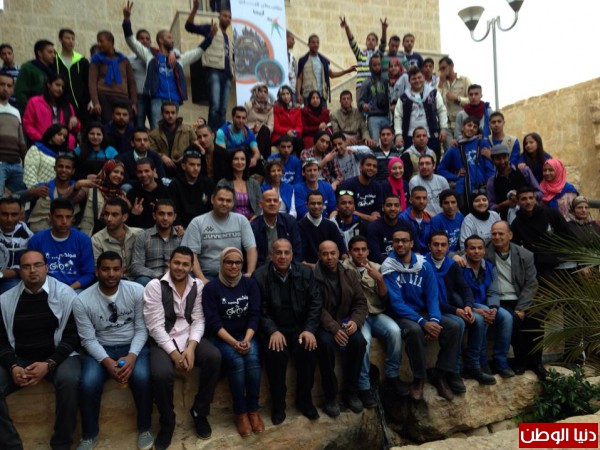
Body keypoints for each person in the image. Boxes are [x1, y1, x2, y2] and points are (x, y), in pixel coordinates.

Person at [0, 249, 80, 450]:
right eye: (26, 267)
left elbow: (73, 337)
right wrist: (13, 366)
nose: (32, 270)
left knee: (69, 380)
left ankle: (62, 443)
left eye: (37, 265)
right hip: (20, 359)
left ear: (47, 267)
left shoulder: (66, 295)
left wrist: (49, 364)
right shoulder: (5, 300)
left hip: (57, 357)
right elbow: (1, 341)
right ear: (20, 271)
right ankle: (11, 445)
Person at [73, 251, 153, 450]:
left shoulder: (136, 290)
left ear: (122, 270)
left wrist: (132, 356)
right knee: (88, 383)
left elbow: (142, 329)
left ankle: (145, 429)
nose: (111, 274)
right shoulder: (82, 300)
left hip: (132, 345)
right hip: (100, 348)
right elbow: (88, 339)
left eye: (116, 269)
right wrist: (108, 362)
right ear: (97, 271)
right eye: (106, 269)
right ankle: (89, 435)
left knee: (142, 378)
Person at [144, 246, 222, 447]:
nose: (180, 267)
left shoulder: (197, 285)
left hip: (188, 336)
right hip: (162, 340)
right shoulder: (154, 286)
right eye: (176, 263)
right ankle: (167, 422)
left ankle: (199, 411)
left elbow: (198, 320)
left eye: (185, 264)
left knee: (214, 357)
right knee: (161, 374)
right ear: (169, 263)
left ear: (191, 266)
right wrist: (175, 355)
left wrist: (191, 348)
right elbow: (155, 327)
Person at [381, 228, 461, 401]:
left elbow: (432, 297)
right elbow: (396, 303)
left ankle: (439, 374)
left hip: (422, 311)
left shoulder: (424, 265)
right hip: (400, 314)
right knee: (415, 330)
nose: (400, 244)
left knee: (453, 327)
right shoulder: (388, 267)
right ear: (392, 244)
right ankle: (419, 378)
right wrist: (424, 323)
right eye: (396, 241)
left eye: (404, 241)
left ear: (411, 243)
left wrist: (434, 320)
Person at [253, 238, 321, 424]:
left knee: (309, 350)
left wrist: (309, 330)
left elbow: (315, 303)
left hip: (299, 328)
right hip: (274, 329)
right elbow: (259, 310)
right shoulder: (260, 276)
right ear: (271, 255)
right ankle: (278, 405)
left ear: (292, 255)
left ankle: (304, 401)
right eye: (278, 252)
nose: (282, 256)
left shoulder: (305, 272)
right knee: (275, 354)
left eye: (286, 252)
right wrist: (272, 330)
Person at [202, 247, 264, 437]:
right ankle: (241, 413)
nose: (234, 266)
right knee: (236, 362)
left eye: (238, 262)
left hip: (247, 335)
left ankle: (253, 410)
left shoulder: (250, 284)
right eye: (229, 262)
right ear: (221, 264)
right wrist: (233, 342)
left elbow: (255, 315)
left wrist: (246, 339)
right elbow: (213, 322)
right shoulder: (211, 288)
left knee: (253, 360)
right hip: (223, 337)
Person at [123, 1, 215, 129]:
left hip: (174, 100)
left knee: (173, 131)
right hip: (157, 99)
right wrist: (127, 19)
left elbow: (197, 53)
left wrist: (210, 38)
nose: (172, 40)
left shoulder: (178, 60)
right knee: (157, 130)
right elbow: (132, 41)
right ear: (160, 40)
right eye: (169, 37)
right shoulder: (150, 57)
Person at [343, 235, 406, 405]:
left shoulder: (377, 267)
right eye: (356, 250)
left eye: (363, 249)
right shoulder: (343, 268)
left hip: (376, 313)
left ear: (368, 251)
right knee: (365, 341)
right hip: (357, 317)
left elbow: (385, 298)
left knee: (395, 331)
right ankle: (364, 386)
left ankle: (392, 375)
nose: (360, 253)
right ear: (349, 252)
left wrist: (379, 279)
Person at [314, 240, 367, 416]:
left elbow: (360, 303)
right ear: (319, 255)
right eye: (325, 254)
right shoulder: (313, 277)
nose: (329, 257)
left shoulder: (349, 274)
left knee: (359, 342)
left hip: (345, 321)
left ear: (339, 254)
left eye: (333, 253)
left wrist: (355, 321)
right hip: (323, 325)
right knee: (325, 345)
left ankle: (351, 392)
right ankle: (330, 396)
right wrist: (334, 328)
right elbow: (315, 307)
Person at [486, 221, 544, 378]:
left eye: (501, 233)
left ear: (510, 235)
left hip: (520, 298)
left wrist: (521, 308)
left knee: (537, 317)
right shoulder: (485, 250)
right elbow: (459, 252)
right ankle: (521, 360)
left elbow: (531, 283)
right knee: (513, 320)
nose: (497, 237)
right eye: (494, 233)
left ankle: (537, 362)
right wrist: (456, 256)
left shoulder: (525, 255)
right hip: (499, 299)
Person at [425, 232, 481, 387]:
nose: (439, 248)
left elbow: (465, 288)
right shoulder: (422, 265)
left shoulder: (451, 265)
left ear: (448, 247)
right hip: (428, 309)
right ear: (429, 246)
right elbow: (428, 299)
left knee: (476, 319)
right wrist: (455, 310)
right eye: (436, 244)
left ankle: (472, 365)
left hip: (446, 307)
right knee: (458, 324)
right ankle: (452, 371)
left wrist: (468, 305)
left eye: (443, 245)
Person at [462, 235, 515, 378]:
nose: (476, 251)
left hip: (486, 304)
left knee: (507, 317)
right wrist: (474, 308)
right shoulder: (459, 266)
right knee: (484, 315)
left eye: (480, 248)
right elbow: (456, 293)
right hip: (466, 306)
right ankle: (481, 360)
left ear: (484, 250)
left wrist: (494, 308)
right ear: (465, 250)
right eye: (472, 248)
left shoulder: (489, 267)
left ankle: (500, 360)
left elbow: (493, 291)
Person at [183, 186, 257, 283]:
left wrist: (250, 273)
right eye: (221, 199)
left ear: (233, 203)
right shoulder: (197, 222)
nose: (224, 203)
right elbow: (191, 254)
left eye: (228, 201)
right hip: (207, 275)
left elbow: (251, 248)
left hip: (234, 275)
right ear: (212, 199)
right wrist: (202, 279)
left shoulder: (241, 220)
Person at [28, 198, 95, 291]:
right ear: (50, 216)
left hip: (74, 289)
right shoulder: (37, 240)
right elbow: (31, 270)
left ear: (73, 218)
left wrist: (68, 290)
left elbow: (89, 274)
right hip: (45, 289)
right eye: (59, 217)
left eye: (68, 217)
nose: (64, 221)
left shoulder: (83, 240)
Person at [186, 1, 234, 131]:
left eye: (229, 17)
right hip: (214, 71)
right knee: (215, 105)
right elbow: (189, 27)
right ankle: (210, 134)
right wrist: (195, 9)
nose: (227, 19)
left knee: (223, 109)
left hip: (227, 75)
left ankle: (219, 136)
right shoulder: (210, 29)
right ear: (219, 16)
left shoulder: (229, 39)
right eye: (225, 16)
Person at [510, 186, 573, 282]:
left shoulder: (551, 214)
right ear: (518, 202)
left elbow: (569, 236)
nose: (528, 202)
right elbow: (515, 248)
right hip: (539, 268)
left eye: (531, 198)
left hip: (562, 263)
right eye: (524, 199)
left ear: (535, 199)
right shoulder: (516, 224)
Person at [437, 116, 493, 211]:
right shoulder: (455, 147)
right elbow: (440, 169)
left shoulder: (481, 143)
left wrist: (489, 184)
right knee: (464, 214)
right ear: (463, 127)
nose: (471, 128)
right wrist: (455, 176)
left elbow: (489, 167)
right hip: (462, 190)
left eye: (475, 127)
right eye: (469, 125)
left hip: (481, 188)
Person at [393, 67, 448, 161]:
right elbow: (398, 116)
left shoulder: (433, 93)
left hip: (431, 136)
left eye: (419, 77)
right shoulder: (404, 97)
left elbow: (442, 110)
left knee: (432, 163)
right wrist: (398, 135)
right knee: (410, 164)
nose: (417, 81)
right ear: (409, 81)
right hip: (410, 137)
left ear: (423, 78)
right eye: (414, 78)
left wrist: (443, 128)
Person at [26, 154, 88, 233]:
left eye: (67, 167)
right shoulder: (42, 187)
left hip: (68, 234)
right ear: (55, 168)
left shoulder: (80, 189)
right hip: (41, 232)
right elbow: (18, 198)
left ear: (73, 171)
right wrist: (32, 192)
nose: (63, 170)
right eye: (60, 166)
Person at [22, 72, 81, 151]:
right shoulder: (34, 102)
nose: (60, 89)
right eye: (57, 85)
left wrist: (76, 122)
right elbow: (28, 125)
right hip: (40, 146)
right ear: (49, 84)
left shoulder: (68, 106)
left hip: (63, 148)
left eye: (63, 87)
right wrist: (44, 139)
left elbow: (75, 129)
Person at [89, 30, 137, 124]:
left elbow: (131, 82)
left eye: (101, 41)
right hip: (104, 96)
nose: (99, 44)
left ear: (110, 41)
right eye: (98, 41)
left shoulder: (124, 60)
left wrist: (134, 102)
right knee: (108, 123)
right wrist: (96, 102)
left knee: (126, 124)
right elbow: (92, 82)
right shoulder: (96, 60)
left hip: (123, 97)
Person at [130, 199, 182, 286]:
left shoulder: (181, 237)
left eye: (169, 214)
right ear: (154, 215)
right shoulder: (143, 237)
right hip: (151, 279)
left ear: (174, 217)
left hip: (176, 276)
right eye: (161, 214)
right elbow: (136, 266)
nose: (165, 218)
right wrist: (159, 275)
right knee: (142, 280)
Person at [486, 143, 541, 222]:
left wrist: (526, 198)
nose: (502, 161)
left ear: (508, 157)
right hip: (507, 221)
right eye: (498, 159)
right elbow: (491, 206)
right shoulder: (492, 181)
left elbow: (539, 193)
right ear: (493, 160)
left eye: (504, 157)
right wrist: (504, 204)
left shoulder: (523, 171)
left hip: (531, 217)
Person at [91, 198, 142, 280]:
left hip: (136, 278)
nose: (109, 219)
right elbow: (98, 269)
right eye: (106, 214)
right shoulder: (97, 240)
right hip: (112, 280)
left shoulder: (138, 234)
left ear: (124, 217)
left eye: (114, 215)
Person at [296, 34, 355, 105]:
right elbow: (299, 78)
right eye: (313, 42)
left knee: (324, 112)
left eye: (317, 42)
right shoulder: (303, 60)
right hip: (308, 95)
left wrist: (347, 71)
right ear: (308, 44)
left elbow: (332, 75)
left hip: (322, 96)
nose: (316, 44)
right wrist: (298, 94)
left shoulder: (323, 60)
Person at [251, 190, 302, 267]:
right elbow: (255, 256)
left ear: (279, 204)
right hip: (263, 269)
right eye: (268, 200)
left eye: (275, 201)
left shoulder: (290, 222)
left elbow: (297, 251)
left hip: (288, 267)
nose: (272, 203)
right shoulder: (254, 226)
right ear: (260, 204)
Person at [79, 159, 129, 236]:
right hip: (88, 236)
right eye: (115, 172)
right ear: (107, 171)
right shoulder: (91, 188)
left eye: (122, 173)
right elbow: (71, 199)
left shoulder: (122, 195)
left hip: (111, 238)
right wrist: (77, 185)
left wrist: (130, 208)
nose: (119, 175)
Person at [340, 16, 386, 97]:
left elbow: (383, 44)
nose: (370, 41)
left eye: (373, 40)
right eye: (368, 39)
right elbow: (352, 41)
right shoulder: (360, 54)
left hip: (374, 85)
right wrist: (346, 27)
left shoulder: (378, 55)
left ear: (376, 43)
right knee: (361, 105)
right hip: (361, 86)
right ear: (365, 42)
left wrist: (384, 29)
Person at [298, 190, 347, 267]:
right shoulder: (299, 227)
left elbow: (342, 250)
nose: (316, 206)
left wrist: (346, 263)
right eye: (313, 203)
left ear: (323, 205)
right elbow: (299, 257)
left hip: (331, 267)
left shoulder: (331, 226)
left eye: (319, 203)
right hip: (308, 270)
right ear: (307, 205)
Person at [168, 148, 214, 228]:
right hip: (182, 227)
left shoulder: (208, 183)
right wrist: (179, 226)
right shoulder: (175, 185)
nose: (196, 168)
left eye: (198, 165)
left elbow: (211, 209)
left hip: (205, 226)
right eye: (192, 165)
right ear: (183, 166)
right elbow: (174, 210)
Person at [148, 102, 197, 177]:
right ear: (162, 114)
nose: (170, 115)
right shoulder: (153, 134)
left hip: (184, 168)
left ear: (176, 114)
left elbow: (196, 147)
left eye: (173, 113)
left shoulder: (188, 130)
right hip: (163, 168)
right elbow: (151, 150)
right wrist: (162, 156)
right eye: (167, 113)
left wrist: (186, 155)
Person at [214, 106, 262, 181]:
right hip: (228, 163)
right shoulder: (222, 132)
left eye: (243, 118)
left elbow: (257, 152)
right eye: (238, 117)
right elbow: (222, 155)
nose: (241, 121)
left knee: (259, 162)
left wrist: (254, 159)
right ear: (233, 117)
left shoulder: (248, 133)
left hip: (243, 163)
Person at [54, 28, 90, 122]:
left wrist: (90, 100)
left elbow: (88, 82)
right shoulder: (54, 60)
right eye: (67, 38)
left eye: (73, 39)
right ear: (60, 39)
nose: (71, 41)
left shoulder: (82, 61)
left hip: (83, 106)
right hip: (61, 105)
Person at [0, 73, 27, 195]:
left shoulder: (15, 111)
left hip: (16, 164)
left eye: (9, 85)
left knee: (22, 196)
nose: (5, 88)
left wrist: (25, 160)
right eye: (2, 84)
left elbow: (21, 140)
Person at [126, 157, 171, 229]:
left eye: (147, 171)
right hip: (139, 231)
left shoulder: (166, 191)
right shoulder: (132, 193)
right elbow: (127, 224)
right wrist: (133, 214)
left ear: (154, 171)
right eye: (140, 172)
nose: (143, 175)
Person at [217, 149, 262, 220]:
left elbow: (260, 204)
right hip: (230, 220)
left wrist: (255, 217)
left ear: (246, 162)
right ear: (231, 162)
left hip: (252, 221)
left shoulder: (254, 183)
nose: (239, 162)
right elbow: (220, 205)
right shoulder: (223, 183)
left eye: (242, 159)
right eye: (236, 159)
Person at [0, 197, 33, 293]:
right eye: (4, 214)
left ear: (21, 215)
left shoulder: (27, 235)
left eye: (14, 214)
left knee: (13, 289)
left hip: (12, 278)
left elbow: (27, 265)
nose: (9, 219)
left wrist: (3, 274)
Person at [366, 194, 411, 264]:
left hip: (405, 264)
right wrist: (396, 264)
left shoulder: (407, 225)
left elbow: (416, 250)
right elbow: (374, 255)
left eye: (396, 205)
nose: (393, 208)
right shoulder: (373, 227)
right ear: (383, 207)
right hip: (380, 265)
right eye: (389, 205)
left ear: (400, 208)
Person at [14, 40, 56, 114]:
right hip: (33, 111)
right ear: (40, 53)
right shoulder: (28, 68)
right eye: (50, 52)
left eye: (54, 52)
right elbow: (20, 93)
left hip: (50, 111)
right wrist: (32, 110)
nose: (53, 55)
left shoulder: (54, 69)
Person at [338, 154, 383, 222]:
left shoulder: (377, 186)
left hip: (371, 223)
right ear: (360, 167)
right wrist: (368, 218)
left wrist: (374, 216)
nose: (371, 168)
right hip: (352, 221)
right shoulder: (348, 185)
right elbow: (346, 210)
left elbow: (377, 210)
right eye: (368, 165)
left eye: (374, 166)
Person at [438, 57, 471, 148]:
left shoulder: (464, 80)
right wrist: (441, 83)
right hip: (447, 124)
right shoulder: (442, 83)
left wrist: (457, 99)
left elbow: (472, 100)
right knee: (450, 151)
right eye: (440, 69)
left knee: (462, 150)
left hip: (462, 123)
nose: (442, 71)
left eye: (444, 68)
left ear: (451, 66)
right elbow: (436, 100)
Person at [23, 124, 69, 189]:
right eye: (59, 134)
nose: (62, 138)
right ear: (52, 133)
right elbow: (29, 175)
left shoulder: (62, 154)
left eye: (64, 137)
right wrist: (36, 190)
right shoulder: (36, 149)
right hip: (37, 191)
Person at [358, 54, 390, 140]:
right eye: (374, 65)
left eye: (379, 64)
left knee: (389, 143)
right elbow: (360, 101)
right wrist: (364, 105)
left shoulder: (386, 82)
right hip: (373, 117)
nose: (377, 67)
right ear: (370, 66)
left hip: (386, 116)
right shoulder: (366, 83)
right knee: (375, 142)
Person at [245, 83, 274, 159]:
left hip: (263, 131)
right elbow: (243, 120)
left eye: (265, 92)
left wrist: (260, 128)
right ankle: (262, 159)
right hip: (250, 131)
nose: (263, 94)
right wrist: (253, 129)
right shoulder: (249, 105)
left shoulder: (270, 108)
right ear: (256, 93)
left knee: (265, 130)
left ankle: (259, 157)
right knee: (265, 134)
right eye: (260, 91)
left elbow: (271, 126)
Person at [399, 186, 432, 253]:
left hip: (427, 255)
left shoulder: (429, 218)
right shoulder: (402, 218)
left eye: (424, 198)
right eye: (418, 198)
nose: (421, 201)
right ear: (411, 200)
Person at [271, 85, 303, 154]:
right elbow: (276, 127)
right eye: (283, 94)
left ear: (291, 95)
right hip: (279, 136)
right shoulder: (275, 108)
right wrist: (287, 132)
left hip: (293, 135)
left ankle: (299, 160)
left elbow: (299, 126)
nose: (286, 96)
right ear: (280, 96)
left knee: (299, 141)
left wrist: (294, 132)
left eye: (288, 94)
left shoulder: (296, 108)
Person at [287, 31, 297, 96]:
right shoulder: (278, 55)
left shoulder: (291, 56)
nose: (294, 42)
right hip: (283, 89)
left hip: (292, 89)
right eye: (292, 39)